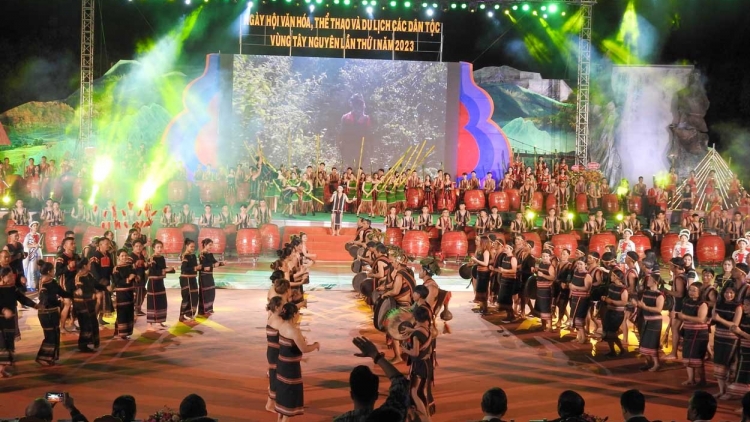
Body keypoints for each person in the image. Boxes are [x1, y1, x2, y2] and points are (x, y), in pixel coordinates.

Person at [334, 337, 409, 422]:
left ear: (352, 395)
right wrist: (375, 355)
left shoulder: (341, 420)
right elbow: (401, 383)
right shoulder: (390, 415)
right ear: (376, 395)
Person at [275, 302, 320, 420]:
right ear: (294, 314)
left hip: (281, 365)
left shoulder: (282, 325)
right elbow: (304, 349)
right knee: (289, 402)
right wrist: (315, 345)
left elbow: (291, 345)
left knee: (283, 401)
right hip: (290, 369)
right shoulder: (294, 331)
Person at [0, 267, 38, 376]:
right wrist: (3, 310)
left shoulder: (13, 288)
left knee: (9, 344)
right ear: (2, 277)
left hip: (10, 321)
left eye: (13, 276)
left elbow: (22, 298)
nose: (12, 278)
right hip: (0, 321)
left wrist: (34, 305)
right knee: (1, 344)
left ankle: (2, 368)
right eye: (10, 276)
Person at [35, 260, 73, 366]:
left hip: (53, 312)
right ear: (49, 271)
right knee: (50, 336)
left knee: (55, 335)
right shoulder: (43, 284)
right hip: (45, 314)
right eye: (53, 270)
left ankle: (50, 357)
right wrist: (59, 302)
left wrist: (73, 294)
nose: (54, 272)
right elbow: (46, 300)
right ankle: (42, 357)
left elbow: (62, 292)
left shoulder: (53, 282)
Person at [401, 305, 434, 422]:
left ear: (415, 318)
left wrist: (404, 349)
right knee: (422, 391)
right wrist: (412, 330)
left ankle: (425, 417)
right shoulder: (428, 329)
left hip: (419, 366)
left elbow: (415, 353)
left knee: (414, 392)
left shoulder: (416, 335)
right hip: (427, 364)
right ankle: (427, 416)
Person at [711, 286, 741, 399]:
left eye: (731, 292)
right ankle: (721, 390)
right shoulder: (718, 304)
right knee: (718, 363)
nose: (728, 295)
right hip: (718, 336)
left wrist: (719, 319)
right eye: (727, 292)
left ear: (735, 294)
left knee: (728, 364)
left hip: (730, 339)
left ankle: (729, 392)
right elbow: (714, 319)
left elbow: (735, 325)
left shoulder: (738, 307)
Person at [679, 282, 709, 386]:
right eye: (690, 290)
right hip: (688, 331)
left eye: (694, 290)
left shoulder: (703, 304)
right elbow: (682, 315)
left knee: (697, 357)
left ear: (700, 292)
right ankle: (691, 379)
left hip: (699, 333)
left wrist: (684, 317)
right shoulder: (686, 301)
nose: (691, 292)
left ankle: (702, 380)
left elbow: (701, 319)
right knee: (687, 355)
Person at [73, 258, 99, 353]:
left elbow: (96, 285)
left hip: (90, 303)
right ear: (84, 266)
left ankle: (90, 343)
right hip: (81, 305)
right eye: (89, 264)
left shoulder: (90, 275)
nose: (90, 265)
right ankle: (83, 345)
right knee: (85, 325)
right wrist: (92, 295)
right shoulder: (78, 277)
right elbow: (79, 291)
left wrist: (104, 288)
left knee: (92, 323)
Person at [147, 239, 174, 331]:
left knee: (161, 301)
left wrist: (170, 269)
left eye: (161, 247)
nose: (159, 249)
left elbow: (163, 268)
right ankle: (150, 324)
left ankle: (159, 321)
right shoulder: (151, 259)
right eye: (157, 247)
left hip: (160, 282)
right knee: (152, 302)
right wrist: (165, 270)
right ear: (153, 248)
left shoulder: (161, 258)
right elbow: (152, 271)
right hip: (153, 283)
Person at [601, 267, 628, 357]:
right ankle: (612, 350)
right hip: (609, 311)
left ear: (617, 277)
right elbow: (609, 296)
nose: (611, 277)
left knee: (611, 333)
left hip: (617, 314)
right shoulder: (611, 286)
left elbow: (624, 302)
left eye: (613, 275)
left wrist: (612, 301)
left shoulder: (623, 289)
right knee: (608, 332)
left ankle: (621, 349)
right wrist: (605, 298)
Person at [55, 237, 80, 332]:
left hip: (75, 284)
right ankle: (62, 327)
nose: (73, 245)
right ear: (65, 246)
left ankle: (72, 323)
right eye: (71, 243)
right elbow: (57, 273)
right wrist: (68, 267)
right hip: (65, 284)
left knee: (76, 304)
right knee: (67, 304)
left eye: (74, 243)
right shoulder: (61, 258)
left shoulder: (77, 256)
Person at [112, 249, 136, 340]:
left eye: (125, 255)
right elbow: (117, 281)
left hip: (129, 292)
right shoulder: (116, 269)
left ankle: (126, 332)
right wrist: (128, 279)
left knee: (129, 312)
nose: (124, 257)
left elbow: (134, 274)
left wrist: (134, 276)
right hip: (121, 293)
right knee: (122, 312)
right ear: (118, 257)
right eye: (122, 256)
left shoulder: (130, 266)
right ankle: (119, 332)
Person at [266, 296, 283, 413]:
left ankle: (273, 400)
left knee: (276, 375)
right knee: (275, 377)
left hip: (272, 351)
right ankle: (270, 404)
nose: (284, 307)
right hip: (275, 352)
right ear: (277, 307)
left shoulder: (272, 315)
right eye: (282, 305)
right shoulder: (277, 320)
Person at [198, 238, 224, 317]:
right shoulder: (201, 255)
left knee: (211, 291)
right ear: (205, 245)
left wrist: (222, 263)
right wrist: (213, 265)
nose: (211, 246)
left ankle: (209, 308)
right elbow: (205, 266)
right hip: (203, 276)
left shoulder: (210, 254)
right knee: (204, 293)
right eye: (209, 245)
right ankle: (203, 310)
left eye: (211, 245)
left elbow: (215, 262)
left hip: (209, 275)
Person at [569, 259, 592, 344]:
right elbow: (572, 284)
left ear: (585, 265)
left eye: (581, 264)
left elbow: (587, 288)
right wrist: (571, 286)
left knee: (579, 318)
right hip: (574, 297)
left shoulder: (587, 275)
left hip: (582, 299)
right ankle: (578, 337)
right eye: (578, 264)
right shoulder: (576, 273)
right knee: (574, 318)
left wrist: (575, 287)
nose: (579, 266)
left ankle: (583, 338)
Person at [179, 239, 201, 322]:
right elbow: (184, 269)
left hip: (192, 278)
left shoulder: (193, 256)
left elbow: (195, 266)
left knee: (194, 296)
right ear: (186, 246)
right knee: (186, 297)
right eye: (191, 246)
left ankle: (190, 314)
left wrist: (198, 267)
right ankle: (182, 315)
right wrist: (195, 268)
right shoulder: (185, 256)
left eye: (193, 247)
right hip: (186, 279)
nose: (192, 248)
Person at [22, 221, 42, 292]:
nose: (35, 227)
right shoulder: (28, 235)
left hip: (37, 254)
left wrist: (39, 246)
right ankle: (31, 286)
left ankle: (38, 285)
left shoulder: (39, 235)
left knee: (38, 269)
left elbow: (39, 244)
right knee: (32, 269)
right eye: (34, 226)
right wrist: (33, 245)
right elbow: (25, 245)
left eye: (36, 226)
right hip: (31, 254)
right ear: (31, 227)